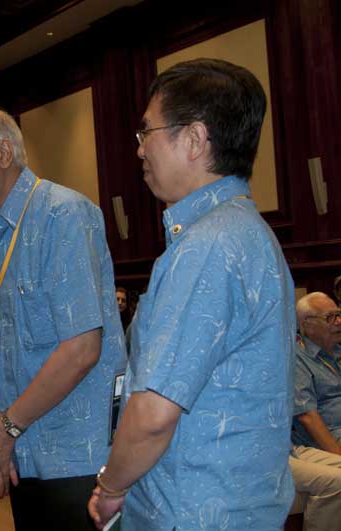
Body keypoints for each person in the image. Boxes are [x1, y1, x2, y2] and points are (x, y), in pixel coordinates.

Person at [88, 59, 296, 530]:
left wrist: (112, 486)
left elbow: (153, 413)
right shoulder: (250, 232)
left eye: (147, 132)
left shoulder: (206, 246)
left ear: (196, 139)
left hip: (190, 511)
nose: (139, 149)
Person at [0, 102, 126, 530]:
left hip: (77, 454)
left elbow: (82, 349)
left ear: (3, 153)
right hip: (22, 447)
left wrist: (4, 427)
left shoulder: (63, 214)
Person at [291, 292, 341, 531]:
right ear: (307, 325)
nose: (339, 321)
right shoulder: (297, 358)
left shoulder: (337, 351)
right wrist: (338, 455)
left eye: (339, 314)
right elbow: (307, 416)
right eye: (330, 317)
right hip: (327, 438)